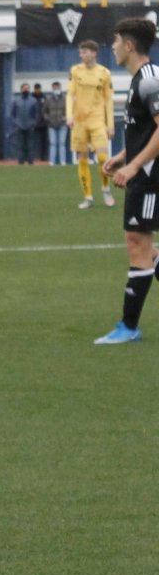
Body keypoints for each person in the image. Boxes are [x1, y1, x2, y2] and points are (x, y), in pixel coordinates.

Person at [95, 18, 159, 344]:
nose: (114, 48)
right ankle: (128, 326)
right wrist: (122, 156)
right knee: (143, 246)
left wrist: (132, 166)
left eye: (117, 42)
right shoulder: (137, 80)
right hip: (143, 173)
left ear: (130, 46)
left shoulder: (150, 79)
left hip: (150, 176)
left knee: (137, 243)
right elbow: (146, 130)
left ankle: (129, 327)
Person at [66, 40, 115, 209]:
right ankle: (88, 197)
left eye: (85, 52)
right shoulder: (75, 71)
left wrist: (111, 124)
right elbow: (70, 94)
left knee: (102, 157)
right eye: (80, 53)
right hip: (79, 121)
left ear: (94, 53)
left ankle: (106, 187)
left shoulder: (104, 73)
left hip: (97, 120)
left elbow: (108, 100)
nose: (82, 55)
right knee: (83, 160)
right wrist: (69, 115)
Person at [11, 82, 38, 164]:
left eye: (27, 88)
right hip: (19, 126)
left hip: (30, 126)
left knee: (30, 145)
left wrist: (33, 123)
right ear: (21, 89)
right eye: (24, 88)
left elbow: (36, 114)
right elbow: (13, 114)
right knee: (20, 145)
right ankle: (21, 161)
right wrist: (16, 123)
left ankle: (30, 161)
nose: (26, 90)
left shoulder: (33, 101)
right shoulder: (16, 101)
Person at [42, 81, 68, 166]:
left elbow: (69, 111)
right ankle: (52, 161)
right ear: (52, 88)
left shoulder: (65, 99)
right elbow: (44, 112)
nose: (56, 89)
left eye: (57, 88)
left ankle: (62, 161)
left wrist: (64, 118)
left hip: (62, 124)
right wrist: (48, 119)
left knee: (62, 143)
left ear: (60, 88)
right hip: (51, 125)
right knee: (52, 143)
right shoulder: (48, 99)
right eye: (54, 88)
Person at [32, 82, 48, 161]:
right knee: (31, 141)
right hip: (33, 123)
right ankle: (30, 156)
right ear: (34, 89)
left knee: (44, 141)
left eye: (39, 89)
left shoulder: (44, 97)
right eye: (36, 89)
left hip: (43, 123)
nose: (38, 90)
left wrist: (46, 119)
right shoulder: (31, 98)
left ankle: (43, 157)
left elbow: (47, 109)